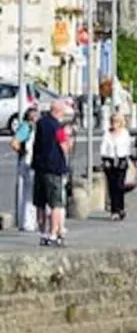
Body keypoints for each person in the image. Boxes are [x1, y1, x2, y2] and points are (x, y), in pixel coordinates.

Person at [31, 100, 72, 246]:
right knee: (56, 203)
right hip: (54, 167)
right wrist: (69, 138)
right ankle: (54, 233)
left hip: (39, 167)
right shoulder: (57, 127)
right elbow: (64, 146)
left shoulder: (41, 123)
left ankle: (42, 233)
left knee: (40, 203)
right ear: (59, 111)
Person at [9, 103, 37, 233]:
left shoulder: (28, 127)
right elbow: (14, 143)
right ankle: (27, 222)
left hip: (28, 162)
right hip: (27, 163)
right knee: (28, 193)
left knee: (27, 192)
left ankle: (27, 221)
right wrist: (23, 152)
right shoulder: (26, 127)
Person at [100, 111, 133, 221]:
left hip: (121, 160)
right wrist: (105, 159)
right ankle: (114, 210)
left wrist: (127, 159)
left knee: (119, 186)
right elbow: (103, 147)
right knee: (112, 187)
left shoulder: (125, 133)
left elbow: (128, 147)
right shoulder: (107, 133)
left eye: (117, 121)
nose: (114, 123)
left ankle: (120, 207)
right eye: (113, 121)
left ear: (121, 122)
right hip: (109, 161)